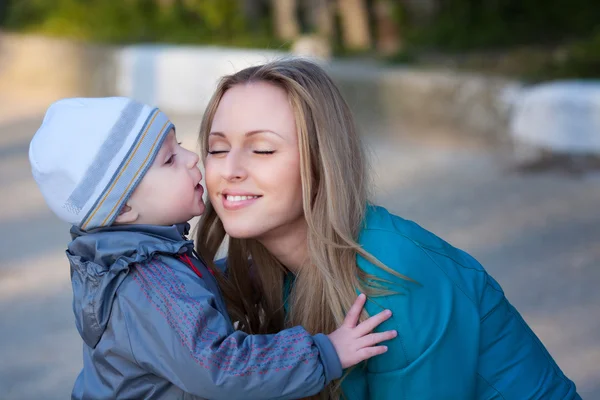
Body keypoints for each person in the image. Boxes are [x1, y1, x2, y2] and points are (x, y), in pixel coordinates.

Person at [196, 59, 582, 399]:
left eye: (262, 149)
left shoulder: (391, 276)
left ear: (321, 161)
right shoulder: (258, 266)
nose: (230, 170)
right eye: (217, 149)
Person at [28, 97, 397, 400]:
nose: (192, 159)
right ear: (123, 208)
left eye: (182, 147)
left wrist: (241, 272)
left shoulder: (135, 259)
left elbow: (182, 300)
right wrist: (326, 353)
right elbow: (219, 367)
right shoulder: (147, 281)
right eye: (170, 160)